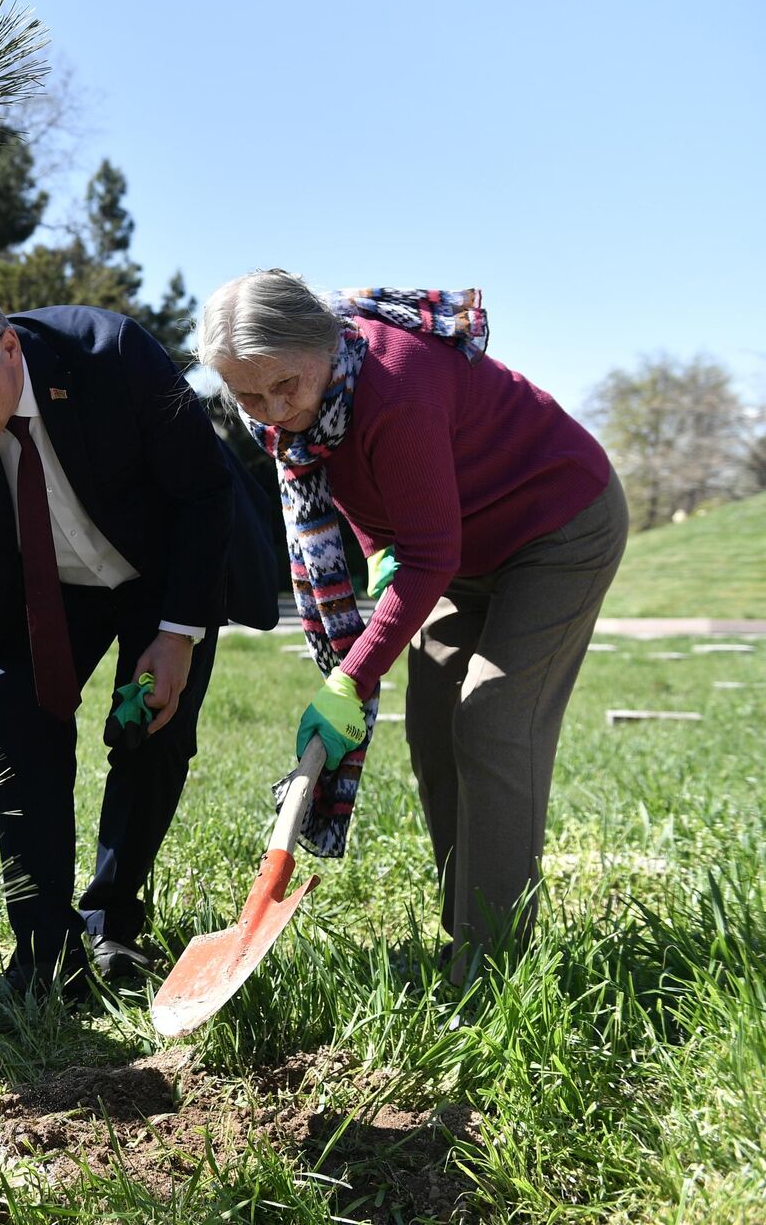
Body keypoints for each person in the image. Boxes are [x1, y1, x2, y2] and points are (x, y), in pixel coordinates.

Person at [197, 272, 626, 981]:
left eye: (287, 386)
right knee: (432, 728)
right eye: (249, 395)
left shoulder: (395, 385)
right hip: (464, 545)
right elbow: (369, 491)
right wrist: (375, 553)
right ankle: (467, 936)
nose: (276, 411)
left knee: (490, 720)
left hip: (558, 527)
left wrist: (351, 675)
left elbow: (432, 553)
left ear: (328, 345)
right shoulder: (293, 405)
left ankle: (491, 970)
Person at [0, 290, 279, 1000]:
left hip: (159, 568)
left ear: (10, 351)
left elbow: (204, 493)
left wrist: (176, 637)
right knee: (18, 727)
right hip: (41, 583)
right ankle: (46, 950)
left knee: (154, 733)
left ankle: (112, 920)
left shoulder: (112, 356)